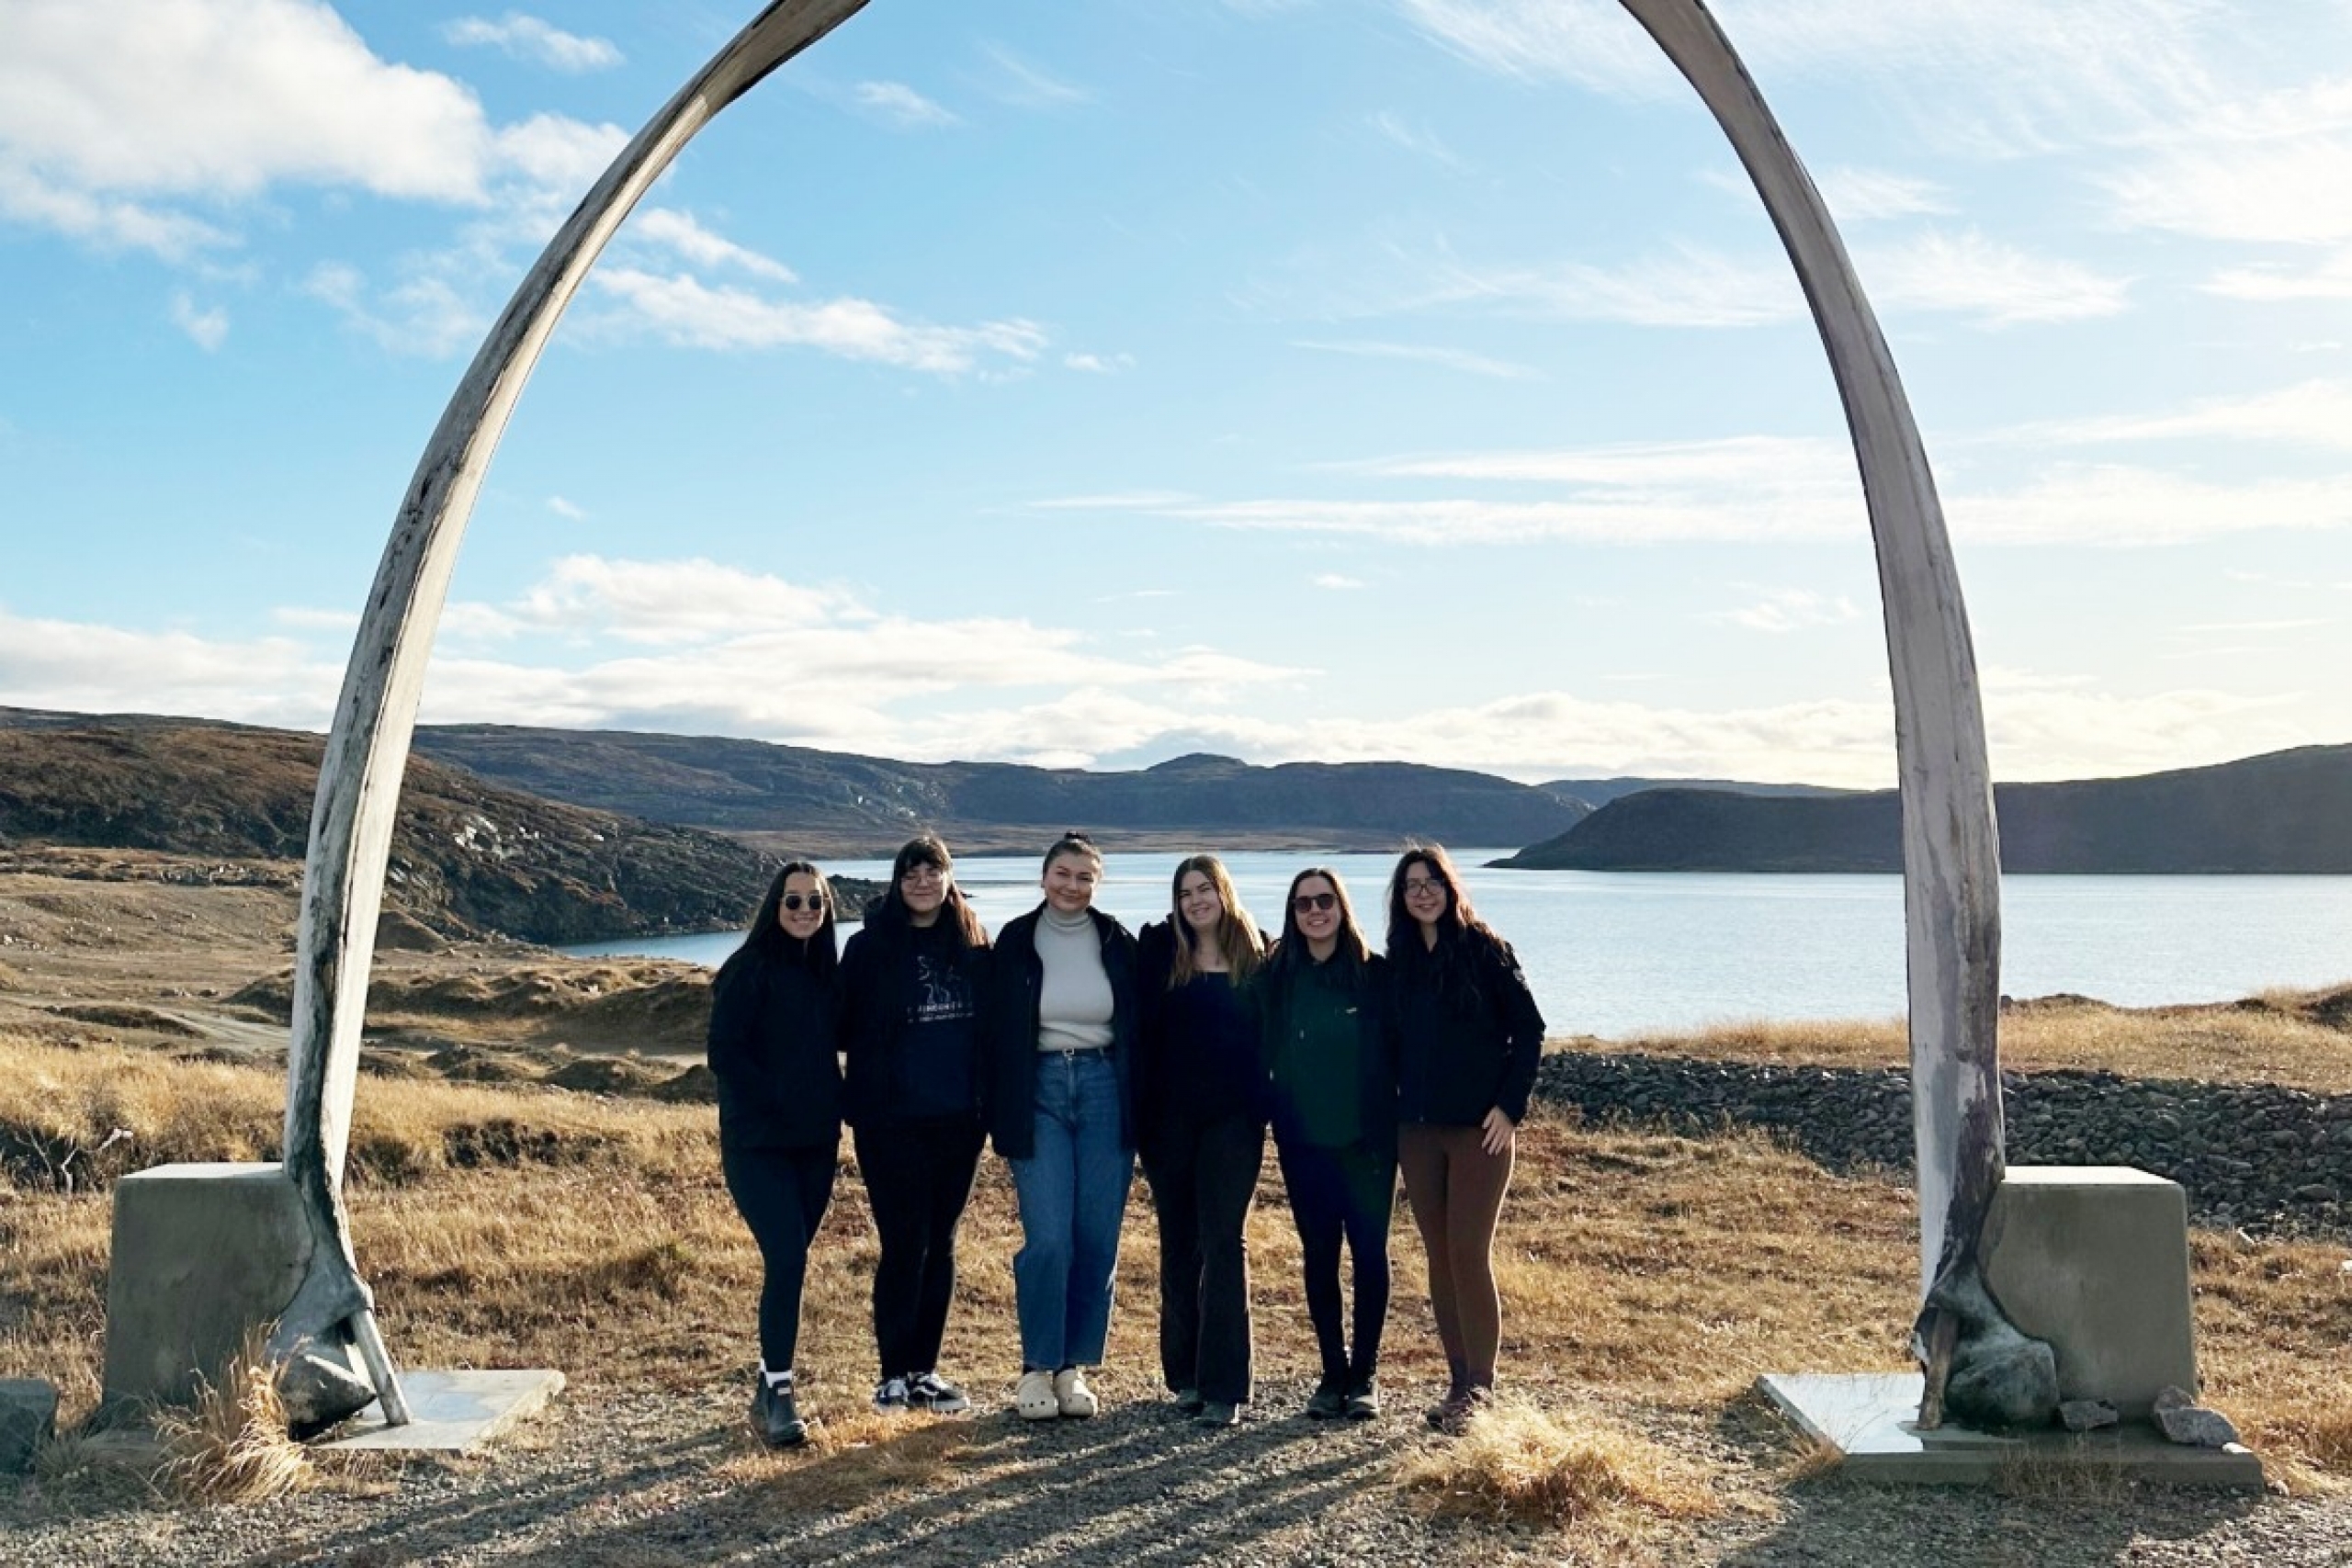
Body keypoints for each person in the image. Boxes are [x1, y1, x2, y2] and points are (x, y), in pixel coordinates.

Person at [1385, 842, 1547, 1434]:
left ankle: (1482, 1385)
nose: (1422, 892)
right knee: (1438, 1256)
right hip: (1418, 1133)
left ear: (1450, 887)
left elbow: (1529, 1032)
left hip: (1480, 1132)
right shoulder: (1400, 961)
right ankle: (1457, 1382)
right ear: (1401, 899)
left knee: (1468, 1253)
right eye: (1411, 885)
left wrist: (1510, 1108)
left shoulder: (1486, 950)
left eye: (1431, 881)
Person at [982, 830, 1141, 1420]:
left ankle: (1073, 1368)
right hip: (1038, 1090)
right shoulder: (1016, 941)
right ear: (1043, 876)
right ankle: (1035, 1368)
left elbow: (1143, 1025)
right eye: (1063, 874)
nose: (1072, 886)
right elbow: (995, 1033)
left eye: (1084, 878)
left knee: (1097, 1236)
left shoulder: (1118, 940)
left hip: (1105, 1090)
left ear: (1096, 885)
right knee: (1049, 1237)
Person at [839, 835, 990, 1417]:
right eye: (911, 873)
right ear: (897, 882)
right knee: (904, 1243)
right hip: (890, 1122)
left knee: (942, 1244)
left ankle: (925, 1371)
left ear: (949, 879)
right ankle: (891, 1376)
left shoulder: (975, 948)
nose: (923, 882)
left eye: (933, 871)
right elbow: (841, 1024)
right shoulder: (869, 948)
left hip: (959, 1120)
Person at [707, 861, 844, 1448]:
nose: (805, 912)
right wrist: (778, 1100)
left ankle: (767, 1384)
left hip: (816, 1143)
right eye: (793, 902)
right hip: (757, 1145)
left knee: (791, 1262)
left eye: (815, 902)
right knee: (787, 1256)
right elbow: (725, 1055)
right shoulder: (747, 970)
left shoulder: (826, 971)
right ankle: (782, 1394)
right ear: (774, 907)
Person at [1256, 865, 1396, 1421]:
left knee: (1368, 1254)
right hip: (1304, 1142)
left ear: (1341, 906)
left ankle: (1365, 1374)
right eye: (1303, 904)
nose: (1315, 911)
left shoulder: (1374, 975)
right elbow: (1260, 1049)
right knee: (1319, 1255)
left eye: (1324, 901)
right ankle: (1330, 1373)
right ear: (1291, 915)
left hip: (1368, 1143)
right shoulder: (1277, 978)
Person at [1136, 854, 1269, 1429]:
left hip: (1235, 1123)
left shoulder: (1256, 954)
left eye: (1204, 889)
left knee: (1223, 1241)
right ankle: (1185, 1377)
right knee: (1179, 1242)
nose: (1195, 900)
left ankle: (1225, 1385)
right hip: (1168, 1122)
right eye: (1185, 892)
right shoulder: (1161, 952)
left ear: (1223, 892)